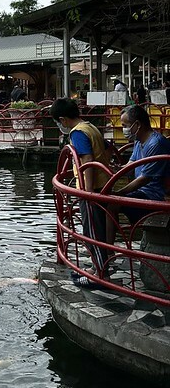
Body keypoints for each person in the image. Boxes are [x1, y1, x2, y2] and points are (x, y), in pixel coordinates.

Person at [50, 97, 110, 283]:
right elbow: (107, 149)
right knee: (96, 229)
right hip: (103, 185)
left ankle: (100, 275)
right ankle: (97, 267)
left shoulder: (77, 133)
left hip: (92, 190)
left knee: (92, 232)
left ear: (63, 120)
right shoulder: (90, 126)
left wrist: (87, 192)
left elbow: (87, 160)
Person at [106, 105, 170, 244]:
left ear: (137, 125)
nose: (124, 129)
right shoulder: (138, 141)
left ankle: (108, 251)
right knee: (110, 201)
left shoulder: (156, 144)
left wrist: (119, 193)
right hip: (143, 191)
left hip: (154, 194)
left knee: (112, 205)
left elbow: (144, 179)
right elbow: (130, 165)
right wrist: (115, 169)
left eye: (125, 125)